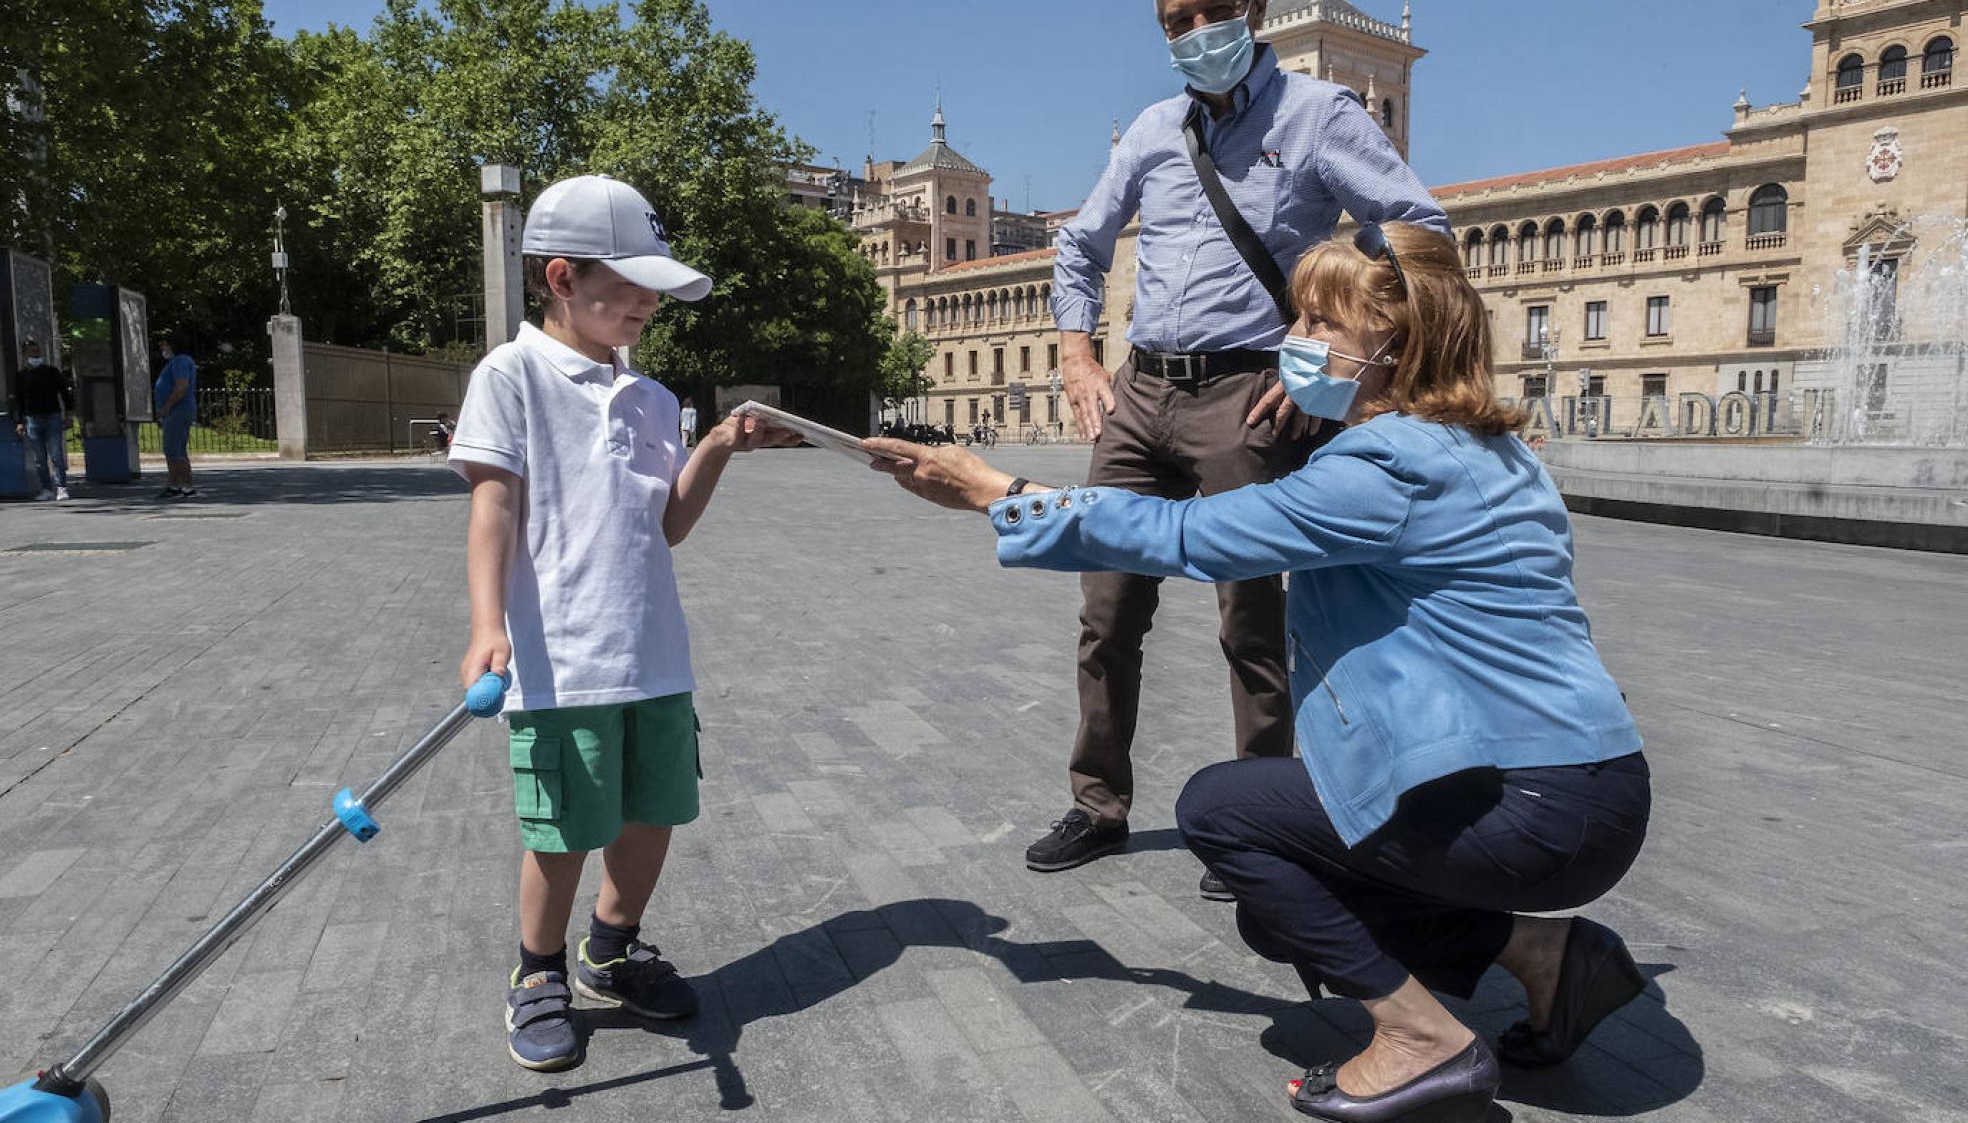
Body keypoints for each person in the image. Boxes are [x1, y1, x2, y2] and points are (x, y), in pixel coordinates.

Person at [868, 222, 1650, 1123]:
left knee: (1222, 810)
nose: (1297, 343)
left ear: (1402, 341)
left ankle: (1422, 1041)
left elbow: (1188, 535)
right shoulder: (1494, 449)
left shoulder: (1386, 462)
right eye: (1300, 316)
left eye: (1326, 323)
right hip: (1595, 789)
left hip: (1526, 807)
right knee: (1271, 904)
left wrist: (995, 493)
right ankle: (1548, 960)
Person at [1037, 0, 1450, 898]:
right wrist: (1076, 354)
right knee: (1106, 613)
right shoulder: (1152, 130)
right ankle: (1098, 800)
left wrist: (1324, 373)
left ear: (1254, 13)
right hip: (1141, 391)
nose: (1199, 32)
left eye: (1215, 12)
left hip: (1250, 393)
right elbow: (1079, 246)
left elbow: (1420, 231)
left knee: (1253, 620)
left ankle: (1262, 822)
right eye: (1179, 20)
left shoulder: (1319, 116)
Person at [449, 174, 797, 1072]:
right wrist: (487, 623)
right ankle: (538, 974)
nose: (648, 303)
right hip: (561, 658)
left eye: (655, 288)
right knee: (561, 830)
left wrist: (717, 444)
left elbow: (668, 525)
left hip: (655, 654)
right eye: (631, 284)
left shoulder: (650, 398)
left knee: (655, 811)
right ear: (561, 277)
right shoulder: (512, 374)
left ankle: (613, 944)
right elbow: (493, 506)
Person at [11, 338, 74, 501]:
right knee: (39, 458)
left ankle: (61, 487)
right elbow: (18, 400)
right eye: (32, 352)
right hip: (32, 419)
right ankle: (46, 488)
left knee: (56, 454)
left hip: (52, 416)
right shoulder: (21, 376)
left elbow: (65, 393)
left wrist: (69, 414)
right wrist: (18, 421)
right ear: (25, 355)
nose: (36, 355)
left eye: (37, 351)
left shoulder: (51, 372)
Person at [153, 333, 197, 499]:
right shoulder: (178, 362)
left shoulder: (180, 362)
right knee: (173, 449)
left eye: (164, 344)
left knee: (174, 449)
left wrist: (167, 406)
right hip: (176, 411)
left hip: (178, 411)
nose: (162, 348)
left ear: (173, 345)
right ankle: (177, 484)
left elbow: (181, 386)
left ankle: (183, 485)